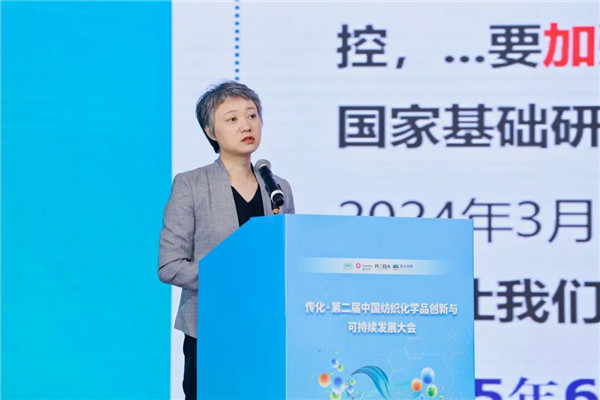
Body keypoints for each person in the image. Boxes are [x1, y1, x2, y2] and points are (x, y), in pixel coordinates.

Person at [158, 81, 295, 399]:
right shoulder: (191, 185)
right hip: (210, 330)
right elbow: (169, 265)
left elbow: (288, 259)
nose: (246, 125)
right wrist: (228, 276)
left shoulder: (278, 189)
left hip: (266, 329)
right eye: (232, 119)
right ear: (210, 131)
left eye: (252, 115)